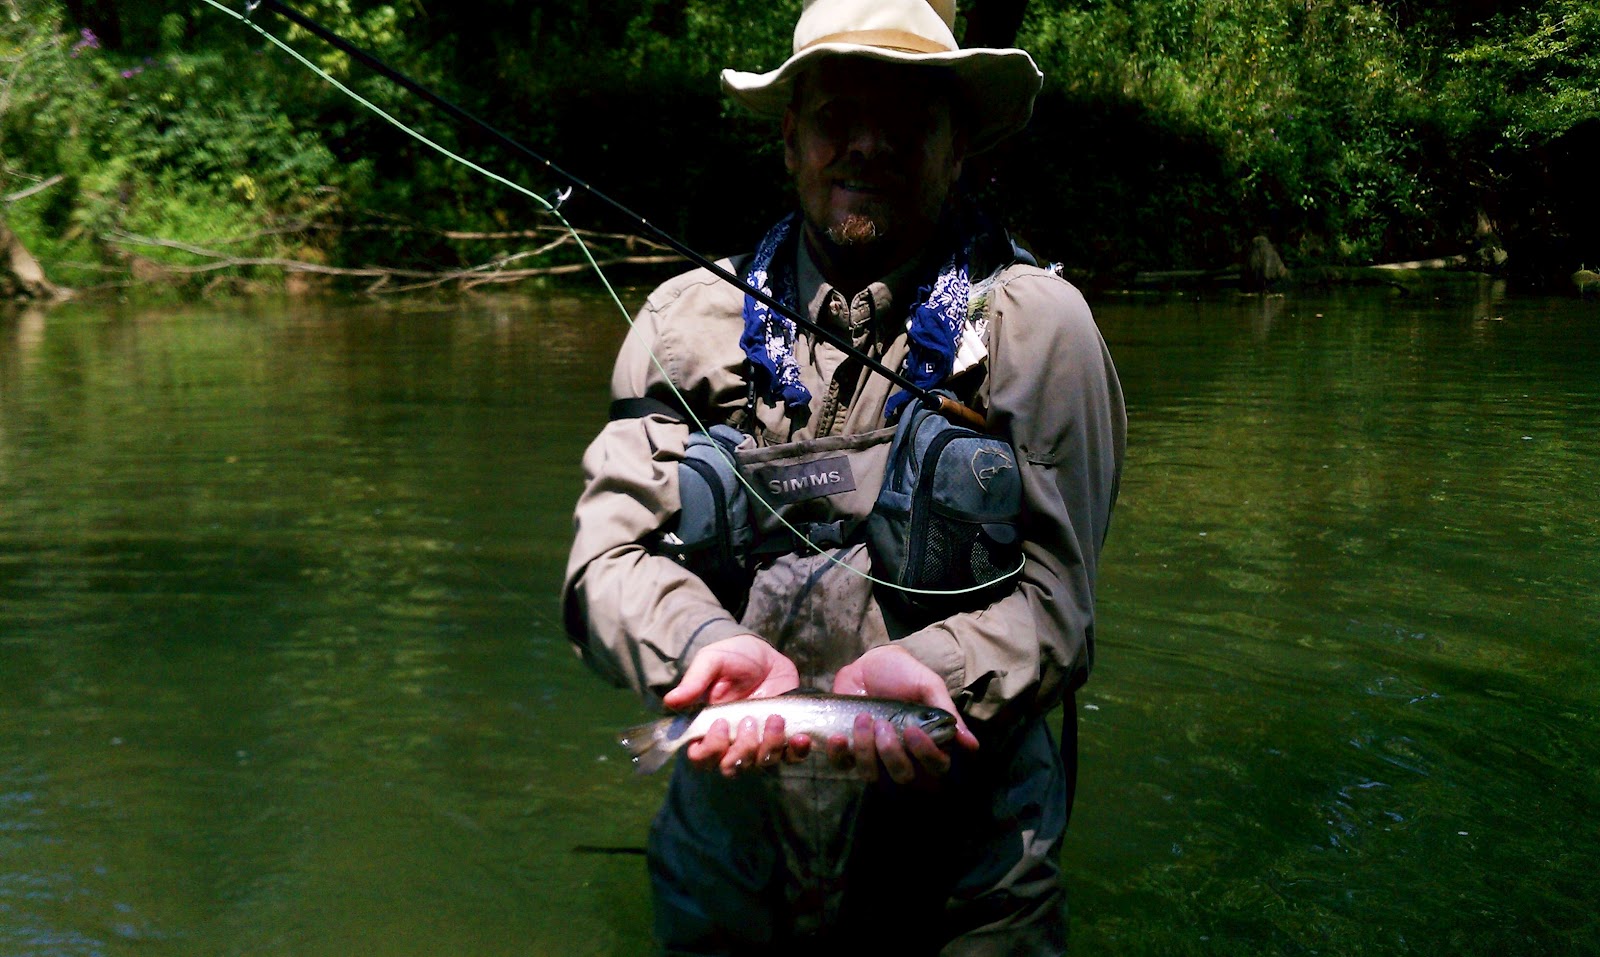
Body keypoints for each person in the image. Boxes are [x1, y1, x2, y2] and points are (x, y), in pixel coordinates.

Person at [562, 0, 1125, 952]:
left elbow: (1058, 605)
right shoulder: (681, 324)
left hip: (965, 887)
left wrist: (934, 670)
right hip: (726, 874)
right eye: (836, 116)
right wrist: (700, 639)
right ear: (790, 138)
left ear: (959, 145)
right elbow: (604, 562)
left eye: (907, 118)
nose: (867, 143)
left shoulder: (1038, 332)